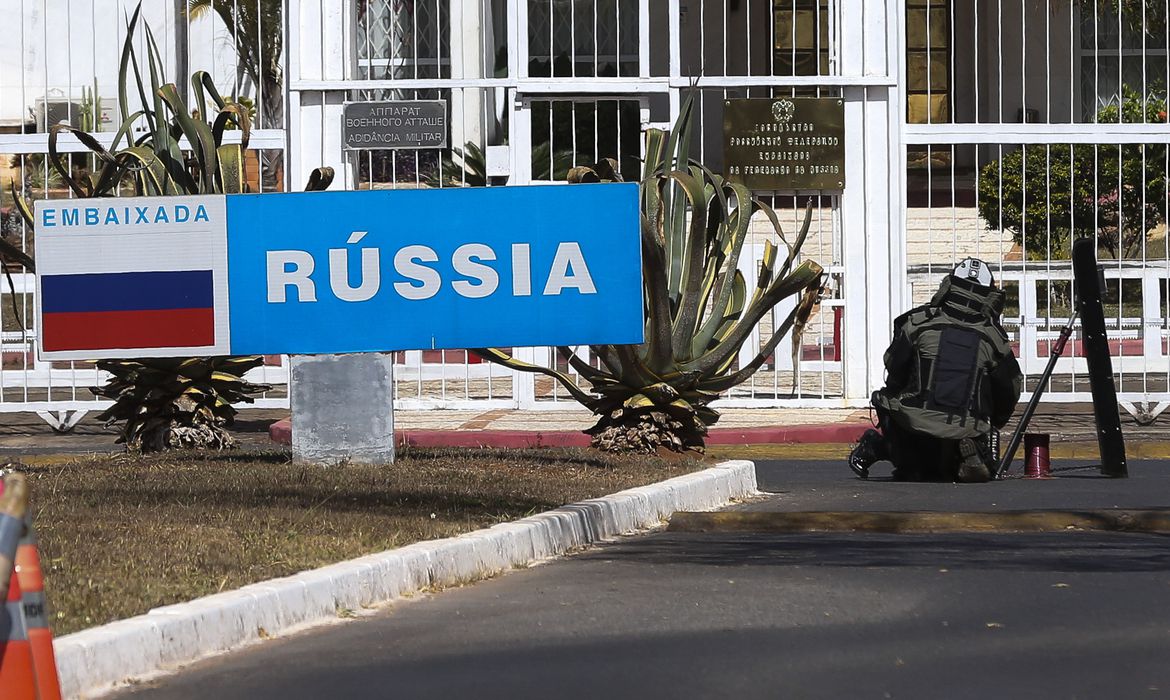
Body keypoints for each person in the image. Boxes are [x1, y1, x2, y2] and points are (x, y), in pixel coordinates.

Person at [849, 258, 1023, 483]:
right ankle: (970, 455)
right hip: (965, 426)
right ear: (989, 295)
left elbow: (893, 367)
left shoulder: (918, 323)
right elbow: (1009, 391)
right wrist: (992, 420)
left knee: (887, 403)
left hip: (912, 423)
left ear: (949, 286)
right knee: (964, 457)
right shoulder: (993, 339)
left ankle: (882, 447)